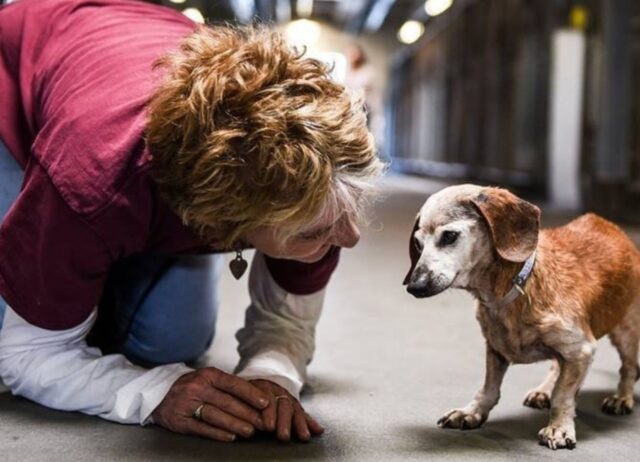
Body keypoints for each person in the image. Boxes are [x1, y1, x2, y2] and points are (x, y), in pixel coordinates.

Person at [0, 0, 382, 443]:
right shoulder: (89, 183)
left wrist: (272, 376)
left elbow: (287, 323)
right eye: (315, 231)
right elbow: (28, 356)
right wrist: (153, 392)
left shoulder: (320, 191)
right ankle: (76, 278)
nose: (349, 239)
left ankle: (82, 279)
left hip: (136, 42)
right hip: (16, 68)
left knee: (169, 342)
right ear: (225, 218)